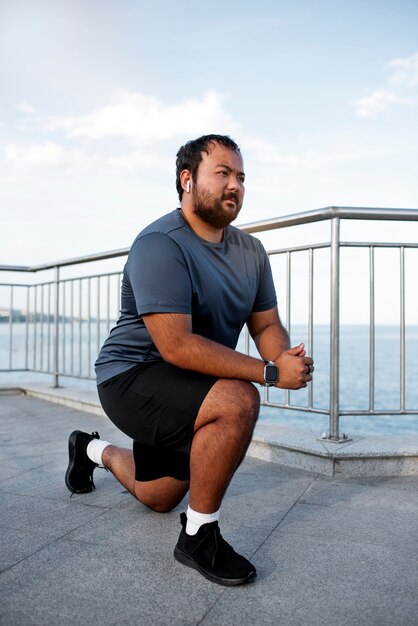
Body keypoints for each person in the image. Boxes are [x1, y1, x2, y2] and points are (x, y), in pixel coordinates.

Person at [65, 134, 314, 586]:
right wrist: (269, 373)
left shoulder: (251, 252)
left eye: (240, 176)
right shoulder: (159, 243)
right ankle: (200, 536)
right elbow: (175, 346)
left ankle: (89, 449)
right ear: (187, 179)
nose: (234, 184)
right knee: (238, 400)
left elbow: (264, 325)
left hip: (190, 381)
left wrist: (283, 355)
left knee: (157, 495)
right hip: (131, 375)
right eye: (222, 172)